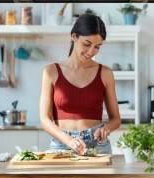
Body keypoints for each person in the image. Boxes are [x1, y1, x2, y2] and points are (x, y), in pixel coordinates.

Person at [39, 14, 121, 155]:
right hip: (61, 145)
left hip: (97, 145)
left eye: (97, 47)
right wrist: (69, 140)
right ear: (74, 37)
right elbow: (45, 119)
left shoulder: (105, 73)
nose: (91, 52)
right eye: (87, 44)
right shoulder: (51, 72)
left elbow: (116, 119)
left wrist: (105, 129)